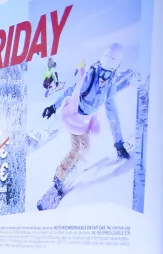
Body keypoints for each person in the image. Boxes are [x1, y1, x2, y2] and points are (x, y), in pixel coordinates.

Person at [41, 43, 129, 201]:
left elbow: (113, 115)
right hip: (74, 117)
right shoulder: (90, 78)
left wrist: (119, 143)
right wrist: (53, 106)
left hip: (86, 122)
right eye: (102, 72)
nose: (103, 78)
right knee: (76, 151)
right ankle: (59, 178)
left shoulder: (109, 88)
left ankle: (71, 166)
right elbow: (70, 92)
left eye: (107, 75)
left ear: (114, 72)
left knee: (85, 149)